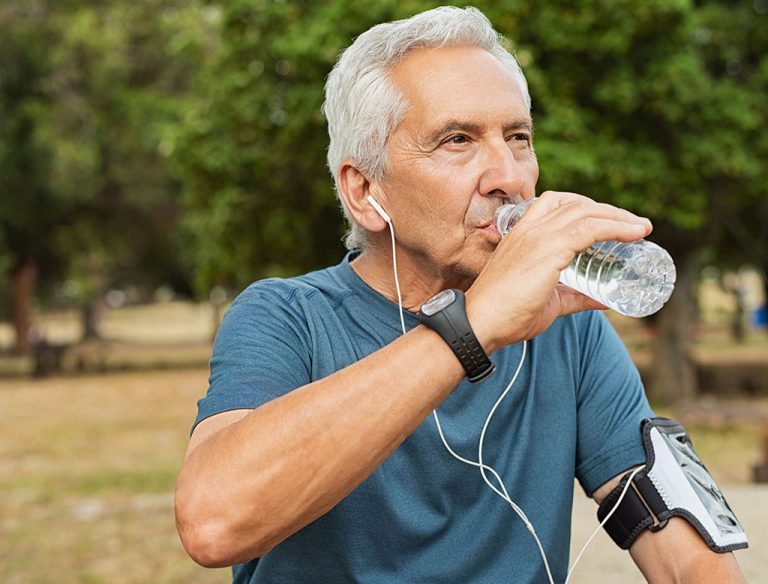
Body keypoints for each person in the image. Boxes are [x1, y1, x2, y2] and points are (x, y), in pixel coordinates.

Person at [175, 6, 746, 583]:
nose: (508, 175)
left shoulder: (568, 328)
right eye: (457, 140)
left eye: (518, 138)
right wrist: (471, 328)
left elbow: (686, 555)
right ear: (365, 190)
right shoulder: (287, 317)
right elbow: (214, 523)